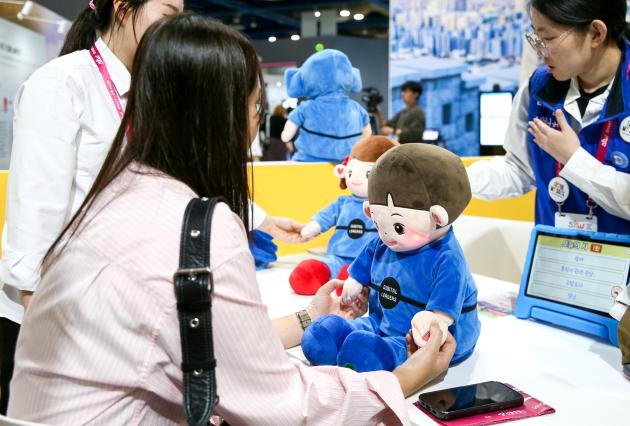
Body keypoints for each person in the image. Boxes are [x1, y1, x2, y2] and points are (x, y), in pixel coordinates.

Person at [8, 15, 456, 425]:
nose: (254, 123)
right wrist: (404, 379)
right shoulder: (195, 230)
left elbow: (205, 345)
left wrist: (308, 316)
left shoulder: (111, 197)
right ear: (220, 117)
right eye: (255, 107)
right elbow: (284, 404)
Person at [0, 0, 185, 415]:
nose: (175, 31)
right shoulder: (62, 84)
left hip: (111, 318)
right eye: (168, 16)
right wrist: (48, 355)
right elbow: (34, 226)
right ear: (122, 8)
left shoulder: (150, 92)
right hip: (53, 324)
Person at [467, 0, 630, 236]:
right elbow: (518, 170)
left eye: (548, 39)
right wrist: (448, 177)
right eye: (536, 38)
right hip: (553, 260)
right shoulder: (538, 88)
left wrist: (574, 160)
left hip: (627, 268)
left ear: (596, 33)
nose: (540, 51)